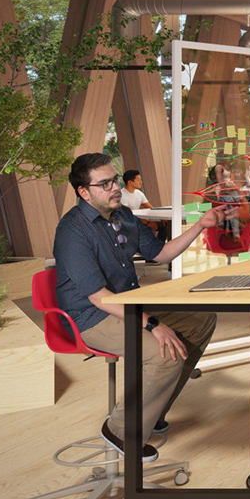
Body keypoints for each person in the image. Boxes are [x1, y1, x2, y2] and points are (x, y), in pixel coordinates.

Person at [53, 153, 226, 461]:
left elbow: (161, 254)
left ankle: (152, 410)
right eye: (104, 184)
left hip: (127, 305)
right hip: (91, 317)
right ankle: (120, 430)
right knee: (163, 354)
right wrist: (152, 324)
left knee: (200, 320)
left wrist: (201, 225)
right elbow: (99, 298)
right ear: (84, 192)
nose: (114, 188)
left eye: (114, 180)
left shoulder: (123, 216)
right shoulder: (73, 231)